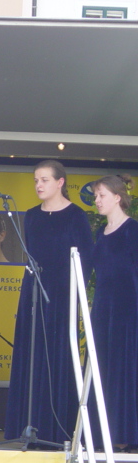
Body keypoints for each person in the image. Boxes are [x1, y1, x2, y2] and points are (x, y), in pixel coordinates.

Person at [5, 160, 94, 445]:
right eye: (36, 180)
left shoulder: (76, 215)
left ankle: (57, 430)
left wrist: (72, 291)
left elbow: (86, 259)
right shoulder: (31, 216)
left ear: (60, 182)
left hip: (62, 294)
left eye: (44, 180)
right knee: (31, 354)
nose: (39, 185)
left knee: (57, 356)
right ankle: (28, 427)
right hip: (33, 290)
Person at [89, 174, 138, 449]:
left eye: (102, 195)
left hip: (128, 308)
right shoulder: (100, 233)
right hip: (103, 308)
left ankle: (128, 435)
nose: (97, 200)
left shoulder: (133, 230)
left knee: (125, 368)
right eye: (96, 196)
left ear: (117, 197)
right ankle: (103, 434)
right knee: (103, 368)